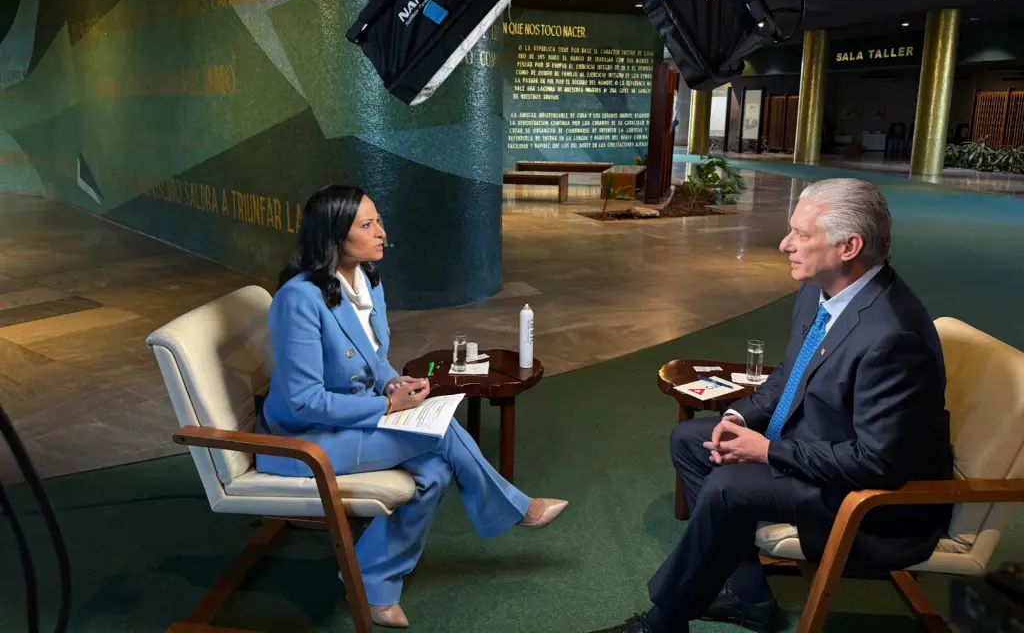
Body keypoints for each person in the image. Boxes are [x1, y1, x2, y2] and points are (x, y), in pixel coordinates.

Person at [592, 178, 953, 633]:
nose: (786, 244)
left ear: (849, 246)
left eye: (802, 235)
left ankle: (663, 622)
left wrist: (765, 452)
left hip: (873, 499)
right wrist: (739, 417)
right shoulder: (822, 289)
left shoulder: (893, 336)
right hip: (822, 445)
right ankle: (748, 594)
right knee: (691, 439)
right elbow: (791, 371)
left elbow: (877, 463)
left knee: (728, 486)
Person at [255, 184, 567, 629]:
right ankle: (516, 508)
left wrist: (392, 383)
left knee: (436, 471)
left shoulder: (367, 279)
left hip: (349, 420)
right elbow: (304, 402)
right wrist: (385, 408)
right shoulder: (298, 299)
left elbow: (374, 358)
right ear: (333, 236)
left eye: (378, 221)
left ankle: (369, 582)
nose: (382, 232)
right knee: (439, 431)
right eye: (367, 225)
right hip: (303, 441)